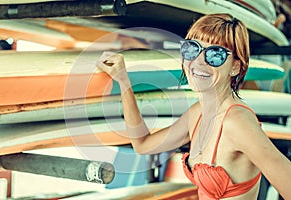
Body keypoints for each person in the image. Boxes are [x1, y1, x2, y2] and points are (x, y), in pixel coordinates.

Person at [96, 13, 291, 200]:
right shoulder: (198, 113)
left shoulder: (237, 122)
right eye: (192, 48)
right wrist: (123, 81)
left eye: (216, 55)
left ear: (235, 67)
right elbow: (143, 144)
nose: (198, 61)